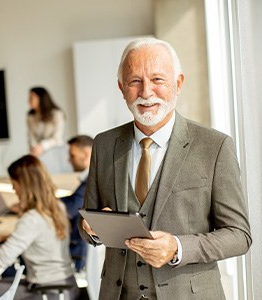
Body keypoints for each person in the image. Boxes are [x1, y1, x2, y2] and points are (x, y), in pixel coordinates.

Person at [78, 38, 252, 300]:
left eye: (157, 79)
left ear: (178, 83)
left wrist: (178, 247)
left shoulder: (214, 146)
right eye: (135, 81)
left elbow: (239, 235)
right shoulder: (103, 144)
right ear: (121, 88)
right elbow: (88, 222)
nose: (146, 92)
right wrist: (92, 229)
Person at [0, 155, 79, 300]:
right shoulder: (57, 207)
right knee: (0, 286)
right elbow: (43, 236)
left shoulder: (31, 219)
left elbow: (0, 259)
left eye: (14, 183)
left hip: (49, 292)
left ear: (24, 184)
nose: (13, 188)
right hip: (66, 285)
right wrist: (5, 238)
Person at [61, 135, 93, 271]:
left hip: (76, 253)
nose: (69, 160)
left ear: (86, 154)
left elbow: (71, 208)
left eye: (72, 156)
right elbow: (73, 199)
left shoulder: (92, 180)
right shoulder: (89, 178)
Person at [27, 87, 65, 157]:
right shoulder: (30, 116)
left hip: (55, 152)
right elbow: (31, 137)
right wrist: (34, 147)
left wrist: (42, 146)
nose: (28, 101)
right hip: (37, 154)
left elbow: (57, 138)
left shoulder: (57, 114)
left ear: (41, 99)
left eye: (31, 98)